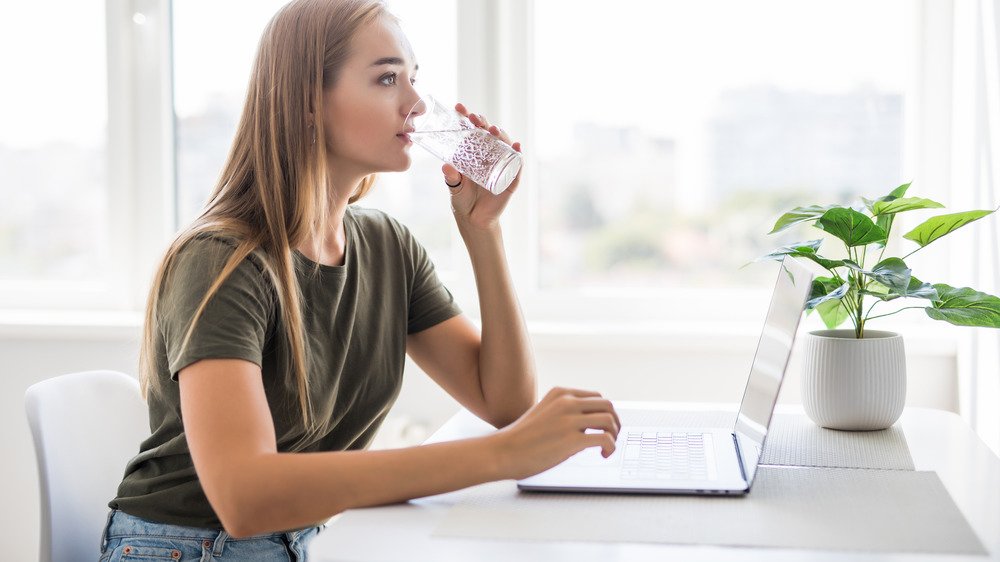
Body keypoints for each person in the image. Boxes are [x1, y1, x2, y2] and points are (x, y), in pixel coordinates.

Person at [99, 0, 620, 559]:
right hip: (191, 547)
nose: (417, 102)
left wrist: (482, 232)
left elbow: (504, 402)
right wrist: (504, 456)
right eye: (388, 78)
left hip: (311, 539)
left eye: (414, 79)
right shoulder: (220, 261)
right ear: (306, 102)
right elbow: (243, 498)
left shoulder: (386, 246)